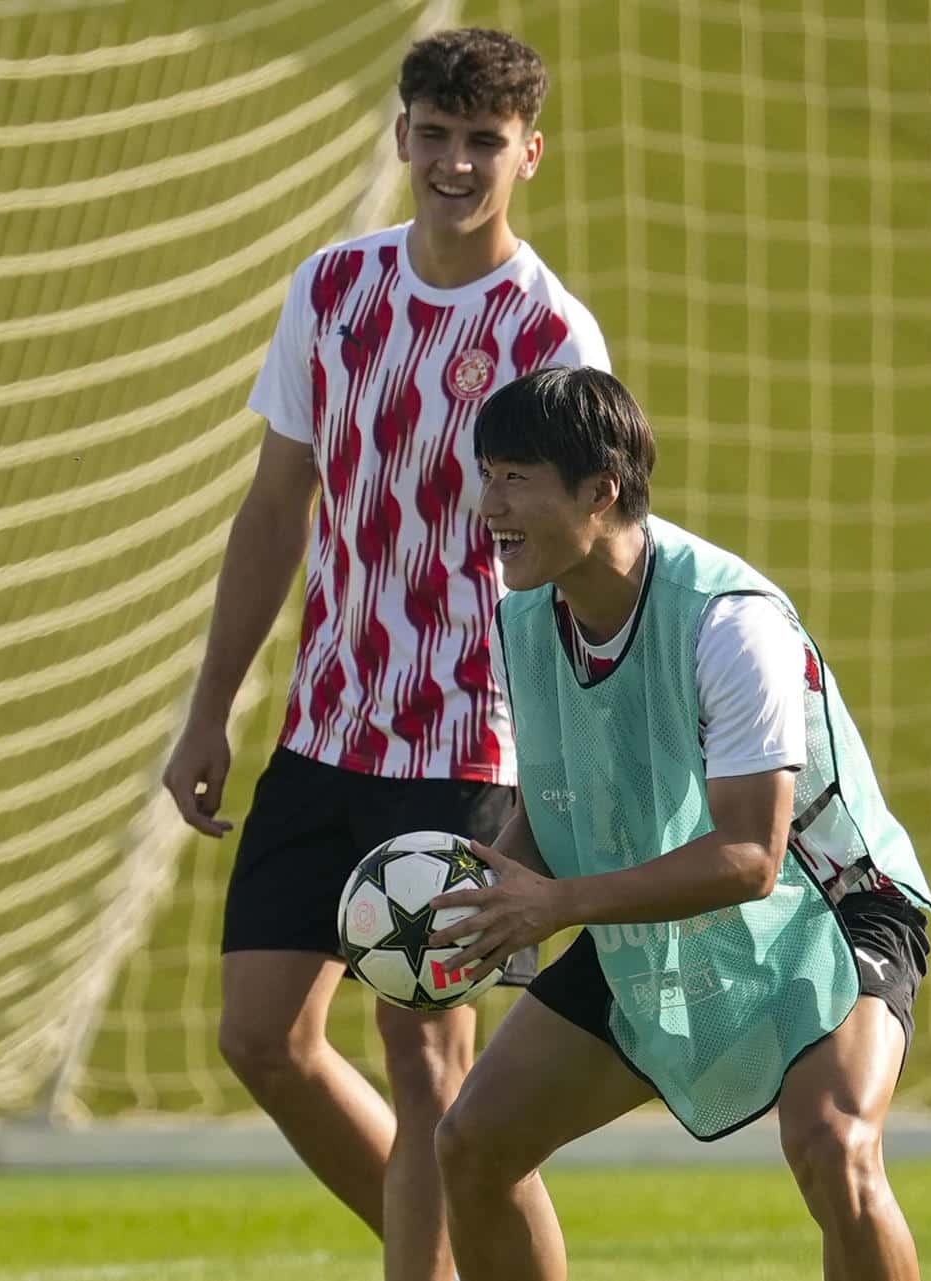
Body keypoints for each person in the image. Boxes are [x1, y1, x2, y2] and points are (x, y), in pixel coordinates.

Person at [160, 27, 610, 1281]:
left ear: (529, 152)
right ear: (401, 134)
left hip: (467, 734)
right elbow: (275, 507)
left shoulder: (551, 332)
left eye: (484, 142)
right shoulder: (333, 288)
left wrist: (559, 763)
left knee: (429, 1067)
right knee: (261, 1037)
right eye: (435, 134)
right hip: (321, 728)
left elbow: (584, 559)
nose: (456, 163)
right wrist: (209, 713)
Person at [431, 366, 931, 1281]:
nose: (487, 502)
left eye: (516, 477)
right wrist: (476, 908)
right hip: (666, 908)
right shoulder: (523, 617)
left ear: (601, 491)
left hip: (829, 905)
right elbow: (551, 808)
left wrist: (556, 906)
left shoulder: (731, 623)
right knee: (473, 1143)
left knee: (835, 1146)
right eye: (486, 471)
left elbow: (751, 857)